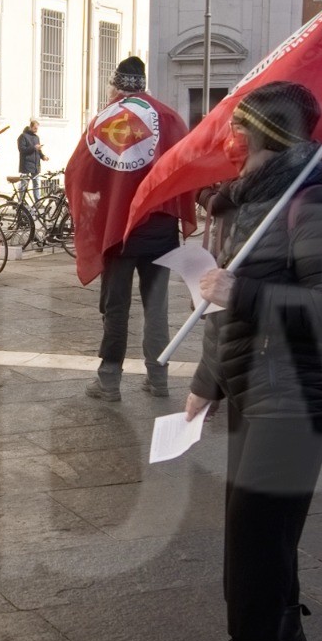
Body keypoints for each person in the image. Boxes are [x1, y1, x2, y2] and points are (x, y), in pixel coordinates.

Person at [173, 80, 322, 641]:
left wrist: (244, 292)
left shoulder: (315, 198)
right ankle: (283, 640)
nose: (228, 134)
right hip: (253, 380)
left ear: (265, 131)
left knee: (256, 528)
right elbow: (219, 308)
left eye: (239, 123)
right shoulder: (243, 202)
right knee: (263, 523)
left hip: (297, 388)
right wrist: (206, 383)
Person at [80, 57, 189, 402]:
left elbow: (82, 171)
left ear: (116, 86)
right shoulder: (169, 118)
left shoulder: (105, 120)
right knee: (156, 309)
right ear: (143, 84)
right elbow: (185, 167)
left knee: (116, 307)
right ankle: (159, 378)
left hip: (119, 231)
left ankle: (109, 381)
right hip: (160, 229)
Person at [16, 119, 47, 200]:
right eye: (35, 128)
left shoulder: (36, 137)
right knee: (24, 185)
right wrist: (33, 147)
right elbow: (22, 149)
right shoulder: (23, 136)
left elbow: (38, 150)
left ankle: (37, 202)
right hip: (26, 164)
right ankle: (21, 202)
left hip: (36, 165)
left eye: (37, 128)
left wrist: (43, 156)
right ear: (30, 127)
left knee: (36, 184)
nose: (36, 130)